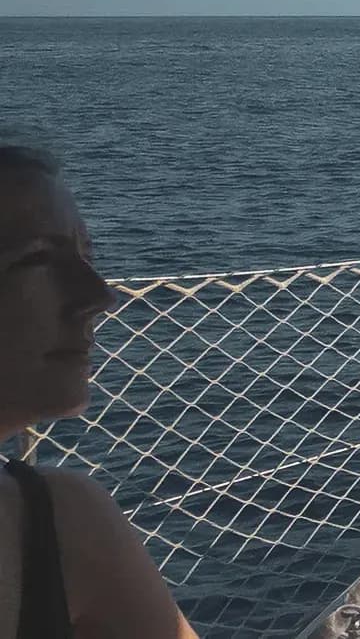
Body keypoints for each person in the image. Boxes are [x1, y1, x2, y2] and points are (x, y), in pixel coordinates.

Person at [0, 143, 200, 639]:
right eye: (40, 258)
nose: (99, 296)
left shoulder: (62, 525)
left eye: (87, 256)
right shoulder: (56, 527)